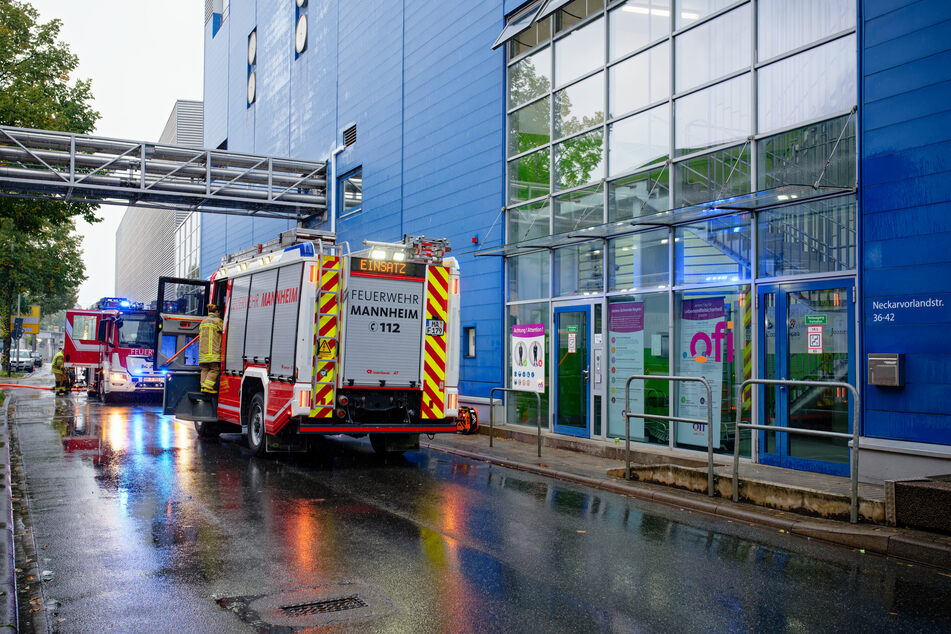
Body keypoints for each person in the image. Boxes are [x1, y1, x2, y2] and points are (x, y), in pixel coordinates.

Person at [198, 304, 223, 394]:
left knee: (204, 369)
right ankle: (208, 387)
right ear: (216, 312)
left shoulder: (203, 321)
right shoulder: (218, 321)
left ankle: (203, 386)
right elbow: (225, 330)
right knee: (214, 369)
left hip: (202, 353)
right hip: (212, 352)